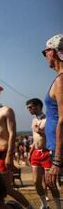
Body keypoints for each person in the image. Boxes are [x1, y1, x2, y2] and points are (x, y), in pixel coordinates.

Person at [0, 89, 30, 207]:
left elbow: (12, 133)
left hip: (3, 152)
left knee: (7, 188)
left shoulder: (6, 110)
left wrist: (9, 155)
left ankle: (29, 207)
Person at [26, 98, 61, 209]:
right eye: (28, 108)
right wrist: (30, 152)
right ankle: (44, 205)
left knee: (50, 183)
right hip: (36, 152)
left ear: (39, 106)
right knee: (36, 181)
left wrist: (41, 131)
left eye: (30, 107)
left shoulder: (48, 119)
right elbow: (35, 139)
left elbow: (54, 136)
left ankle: (59, 206)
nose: (29, 109)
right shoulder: (33, 120)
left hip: (47, 152)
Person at [42, 34, 63, 191]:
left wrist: (57, 160)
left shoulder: (61, 80)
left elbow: (62, 120)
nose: (45, 56)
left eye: (45, 52)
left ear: (53, 52)